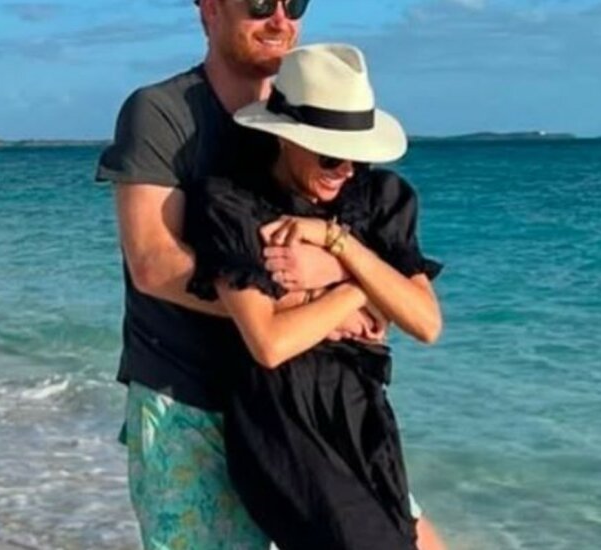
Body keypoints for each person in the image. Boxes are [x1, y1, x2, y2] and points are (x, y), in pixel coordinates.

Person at [96, 1, 447, 548]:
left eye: (294, 2)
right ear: (211, 9)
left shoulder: (325, 122)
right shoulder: (164, 113)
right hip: (189, 403)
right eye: (259, 3)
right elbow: (154, 263)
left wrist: (340, 269)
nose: (280, 19)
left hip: (319, 408)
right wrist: (322, 301)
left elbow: (414, 308)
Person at [184, 42, 442, 550]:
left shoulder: (378, 199)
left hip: (362, 415)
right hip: (280, 420)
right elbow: (270, 343)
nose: (346, 170)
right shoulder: (235, 205)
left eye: (357, 157)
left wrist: (336, 245)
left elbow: (426, 322)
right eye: (330, 155)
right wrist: (356, 293)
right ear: (285, 139)